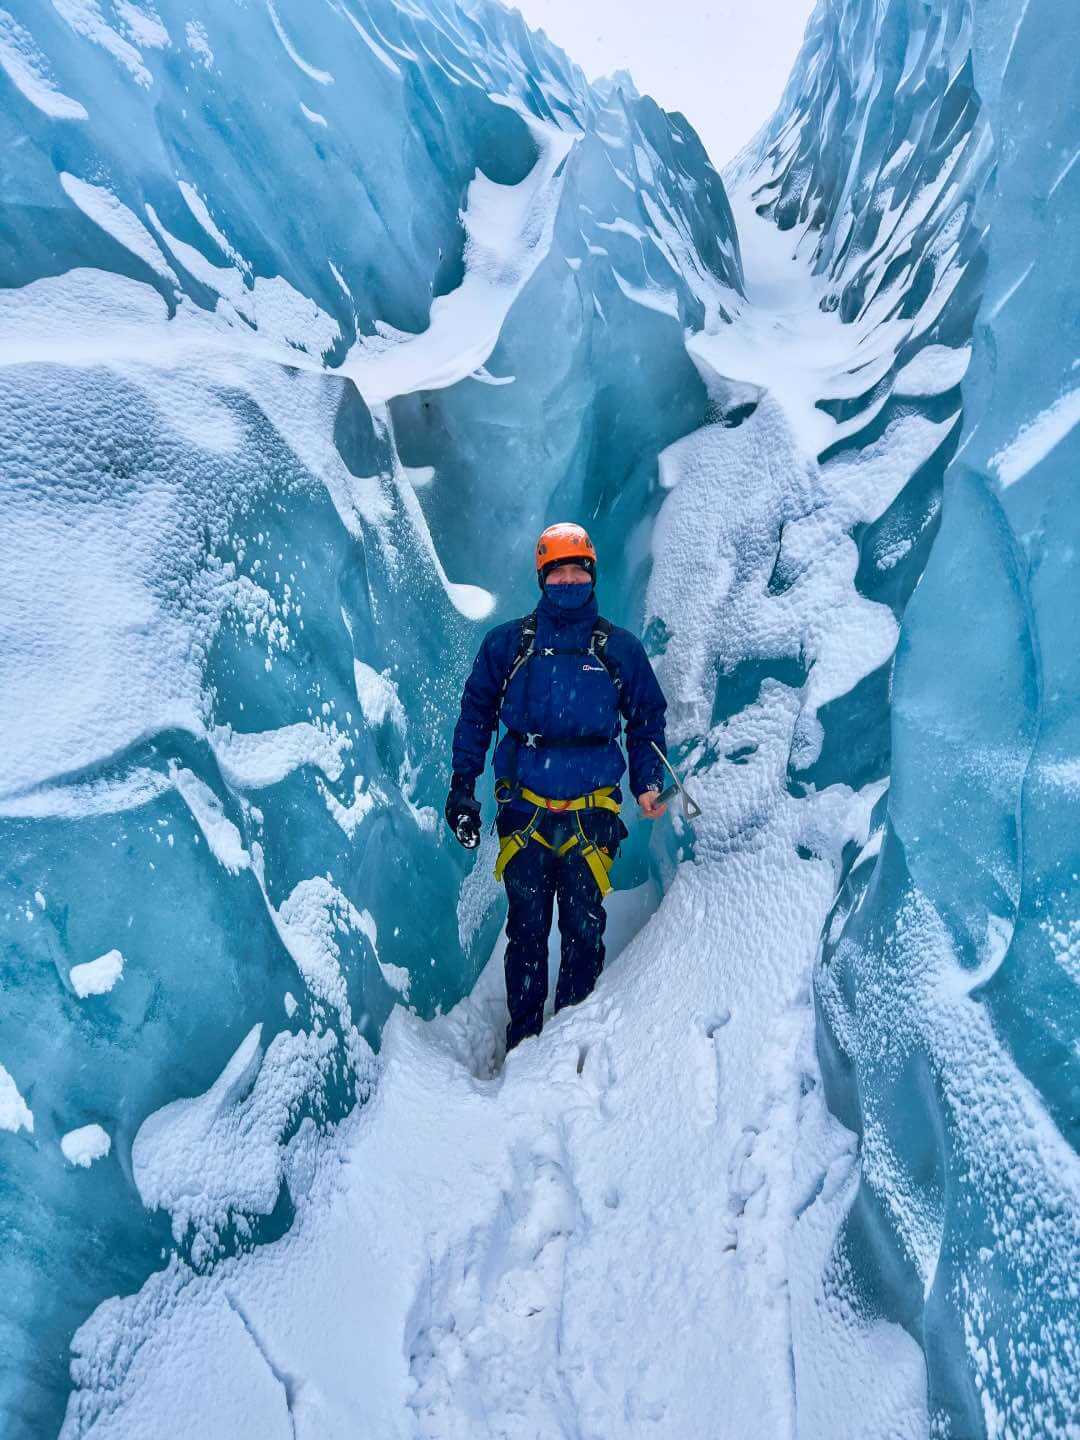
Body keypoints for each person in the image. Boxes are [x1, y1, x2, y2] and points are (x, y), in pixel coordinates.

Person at [445, 522, 669, 1051]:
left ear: (591, 574)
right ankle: (524, 1041)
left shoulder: (619, 650)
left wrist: (648, 781)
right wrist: (462, 787)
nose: (568, 580)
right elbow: (476, 715)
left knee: (583, 927)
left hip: (591, 817)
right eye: (558, 571)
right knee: (525, 930)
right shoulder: (508, 646)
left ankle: (569, 1034)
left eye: (577, 570)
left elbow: (646, 718)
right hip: (525, 812)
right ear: (542, 577)